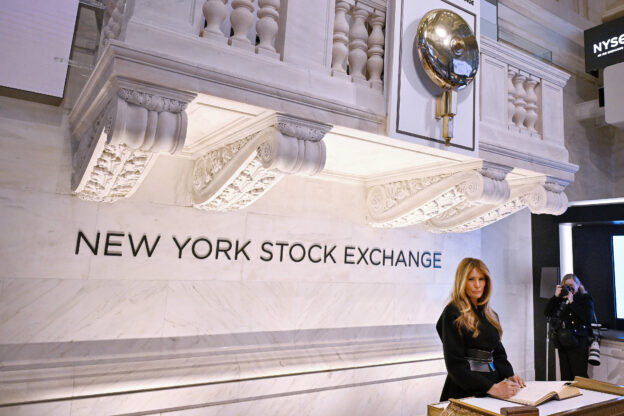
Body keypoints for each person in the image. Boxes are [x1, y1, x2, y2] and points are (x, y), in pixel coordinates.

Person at [436, 257, 526, 401]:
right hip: (465, 388)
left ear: (487, 282)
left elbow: (498, 354)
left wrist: (509, 375)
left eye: (481, 279)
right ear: (462, 281)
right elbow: (455, 365)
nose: (477, 285)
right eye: (471, 279)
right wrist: (491, 388)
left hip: (494, 385)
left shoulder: (491, 315)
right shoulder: (452, 312)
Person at [544, 273, 594, 380]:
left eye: (571, 285)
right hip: (564, 341)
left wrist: (572, 302)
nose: (569, 288)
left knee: (579, 375)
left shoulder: (585, 298)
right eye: (566, 286)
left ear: (578, 284)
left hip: (579, 341)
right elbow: (547, 312)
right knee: (565, 375)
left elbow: (587, 318)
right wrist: (556, 296)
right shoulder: (561, 299)